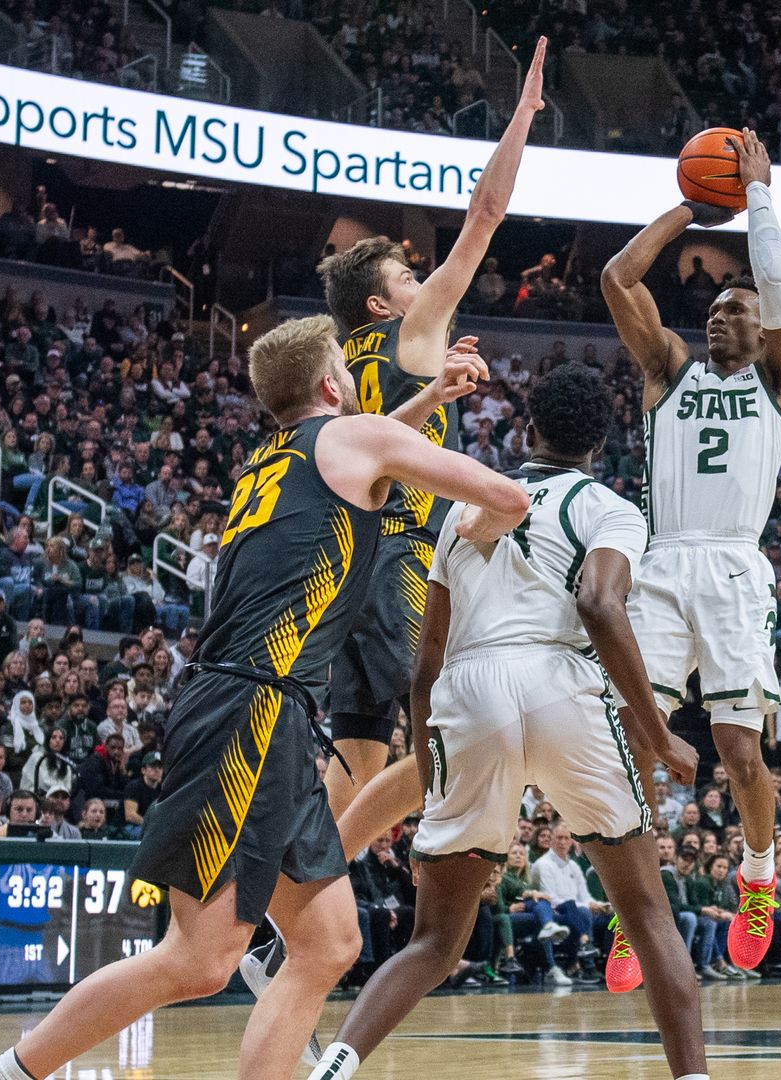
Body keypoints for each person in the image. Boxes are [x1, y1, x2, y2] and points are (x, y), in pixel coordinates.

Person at [0, 309, 529, 1080]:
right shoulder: (354, 441)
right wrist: (471, 539)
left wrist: (429, 400)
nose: (355, 383)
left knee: (326, 944)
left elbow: (375, 443)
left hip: (264, 708)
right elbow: (507, 498)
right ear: (330, 382)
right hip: (250, 707)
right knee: (199, 958)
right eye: (347, 373)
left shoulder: (273, 455)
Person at [303, 363, 708, 1080]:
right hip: (562, 685)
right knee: (647, 916)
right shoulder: (611, 507)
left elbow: (425, 666)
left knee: (433, 943)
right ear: (600, 445)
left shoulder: (464, 518)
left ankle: (333, 1065)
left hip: (468, 691)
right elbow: (599, 605)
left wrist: (432, 770)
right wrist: (654, 729)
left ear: (527, 430)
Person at [311, 39, 551, 848]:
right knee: (451, 731)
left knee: (358, 752)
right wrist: (521, 116)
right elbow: (484, 217)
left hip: (348, 562)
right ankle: (315, 881)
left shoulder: (344, 369)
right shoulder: (416, 334)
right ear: (382, 307)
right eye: (409, 279)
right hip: (403, 558)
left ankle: (285, 902)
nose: (426, 284)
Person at [600, 127, 781, 972]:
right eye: (715, 309)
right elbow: (619, 278)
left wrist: (756, 197)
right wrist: (694, 202)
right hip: (660, 562)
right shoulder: (667, 372)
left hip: (731, 565)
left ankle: (757, 874)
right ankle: (630, 898)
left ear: (763, 334)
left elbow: (776, 287)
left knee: (738, 750)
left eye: (739, 310)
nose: (723, 313)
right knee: (630, 734)